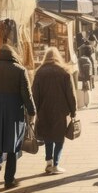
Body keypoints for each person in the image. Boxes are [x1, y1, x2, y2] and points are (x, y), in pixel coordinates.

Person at [0, 45, 36, 189]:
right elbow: (27, 94)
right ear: (14, 55)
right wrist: (32, 111)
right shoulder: (20, 70)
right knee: (13, 144)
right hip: (14, 109)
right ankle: (9, 180)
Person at [32, 47, 76, 175]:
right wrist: (73, 111)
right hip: (60, 111)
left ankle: (48, 162)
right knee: (59, 138)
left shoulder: (39, 73)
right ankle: (56, 164)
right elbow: (70, 94)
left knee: (48, 137)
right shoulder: (64, 72)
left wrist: (34, 111)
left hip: (44, 110)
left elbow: (35, 95)